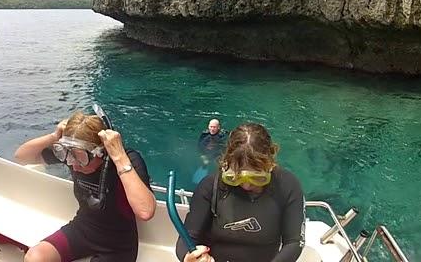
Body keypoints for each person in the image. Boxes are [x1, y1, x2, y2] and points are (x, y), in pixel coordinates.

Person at [15, 110, 156, 262]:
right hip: (83, 229)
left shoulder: (126, 160)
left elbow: (145, 212)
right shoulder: (72, 156)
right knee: (34, 257)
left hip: (118, 243)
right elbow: (22, 156)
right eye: (69, 156)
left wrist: (119, 156)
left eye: (81, 158)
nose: (74, 166)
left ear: (100, 152)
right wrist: (54, 136)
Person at [178, 123, 305, 262]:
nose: (246, 185)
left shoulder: (286, 185)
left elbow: (294, 241)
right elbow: (187, 236)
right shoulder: (211, 186)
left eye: (257, 178)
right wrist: (188, 257)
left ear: (270, 165)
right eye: (235, 178)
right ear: (226, 164)